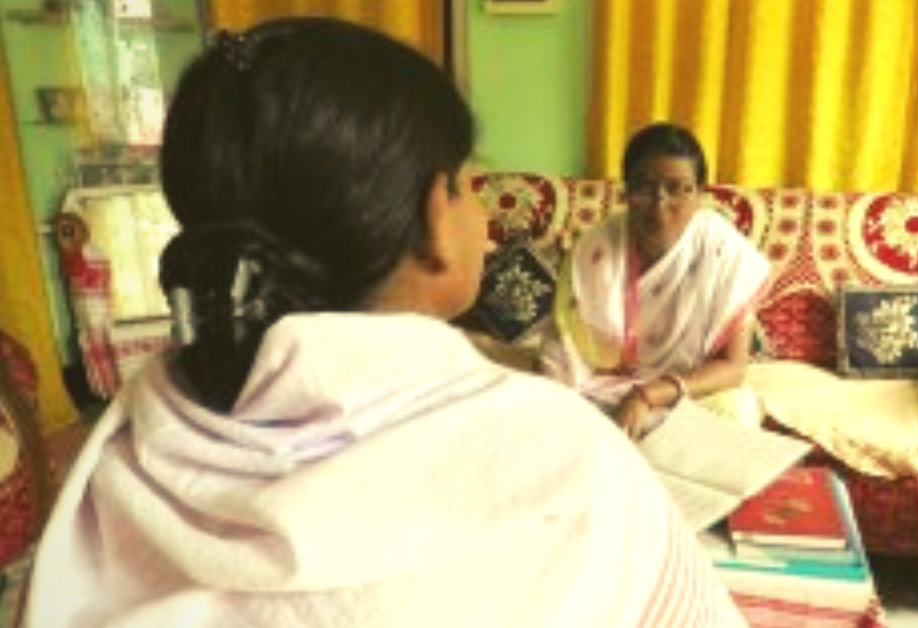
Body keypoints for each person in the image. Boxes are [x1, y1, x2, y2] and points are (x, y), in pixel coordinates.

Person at [22, 20, 746, 628]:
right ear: (435, 218)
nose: (486, 220)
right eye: (466, 183)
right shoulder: (571, 460)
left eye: (677, 190)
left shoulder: (119, 453)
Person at [542, 123, 771, 439]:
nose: (660, 204)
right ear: (626, 191)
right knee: (550, 406)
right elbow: (563, 348)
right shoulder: (595, 249)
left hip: (686, 389)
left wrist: (649, 395)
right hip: (604, 386)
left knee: (737, 412)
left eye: (677, 188)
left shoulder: (726, 254)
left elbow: (734, 367)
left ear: (700, 193)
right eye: (644, 188)